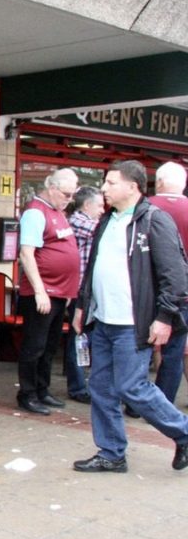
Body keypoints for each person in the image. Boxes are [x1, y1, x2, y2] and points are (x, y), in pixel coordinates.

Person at [72, 160, 188, 473]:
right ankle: (111, 453)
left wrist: (165, 317)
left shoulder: (154, 220)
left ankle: (184, 431)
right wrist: (83, 305)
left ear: (133, 187)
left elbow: (175, 276)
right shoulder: (107, 220)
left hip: (134, 323)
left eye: (111, 183)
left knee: (131, 386)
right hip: (104, 320)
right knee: (101, 388)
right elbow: (93, 267)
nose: (104, 189)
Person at [16, 168, 80, 415]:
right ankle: (28, 393)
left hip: (59, 292)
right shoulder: (35, 211)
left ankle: (42, 389)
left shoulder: (57, 211)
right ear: (52, 187)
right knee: (35, 345)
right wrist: (40, 291)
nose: (69, 199)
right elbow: (26, 253)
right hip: (43, 292)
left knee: (50, 345)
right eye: (66, 193)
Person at [146, 161, 188, 406]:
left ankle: (135, 402)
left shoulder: (145, 208)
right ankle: (163, 403)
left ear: (158, 182)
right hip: (183, 292)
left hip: (147, 289)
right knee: (174, 350)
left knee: (141, 347)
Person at [63, 186, 104, 404]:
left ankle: (87, 384)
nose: (102, 210)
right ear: (87, 206)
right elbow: (101, 230)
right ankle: (78, 387)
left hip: (89, 291)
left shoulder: (87, 220)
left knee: (89, 338)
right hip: (79, 291)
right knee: (79, 339)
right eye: (99, 205)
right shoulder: (78, 220)